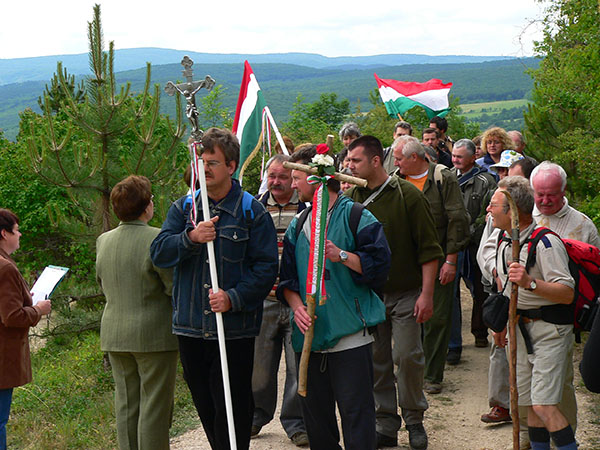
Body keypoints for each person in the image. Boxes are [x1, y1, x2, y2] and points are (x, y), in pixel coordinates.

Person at [150, 128, 279, 450]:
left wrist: (232, 297)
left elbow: (266, 269)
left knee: (233, 408)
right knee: (206, 405)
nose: (205, 169)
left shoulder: (252, 212)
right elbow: (159, 253)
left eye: (213, 163)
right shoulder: (185, 209)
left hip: (233, 329)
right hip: (191, 326)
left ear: (232, 166)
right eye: (201, 162)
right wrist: (190, 238)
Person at [277, 143, 391, 450]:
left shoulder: (358, 217)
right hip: (309, 338)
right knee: (316, 420)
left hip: (350, 335)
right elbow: (287, 281)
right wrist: (297, 306)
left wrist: (342, 255)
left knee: (357, 416)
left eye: (298, 177)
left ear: (316, 179)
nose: (293, 183)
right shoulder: (299, 225)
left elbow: (380, 268)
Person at [346, 135, 444, 450]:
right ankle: (385, 422)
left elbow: (429, 250)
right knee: (376, 360)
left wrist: (426, 295)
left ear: (376, 161)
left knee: (408, 356)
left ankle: (414, 419)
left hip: (406, 292)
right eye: (348, 161)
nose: (349, 166)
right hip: (369, 294)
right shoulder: (350, 199)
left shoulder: (408, 197)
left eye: (355, 160)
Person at [487, 176, 578, 450]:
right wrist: (502, 323)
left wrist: (530, 283)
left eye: (493, 205)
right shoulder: (505, 240)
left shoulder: (546, 243)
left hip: (549, 332)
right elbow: (506, 291)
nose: (488, 210)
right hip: (519, 330)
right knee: (529, 406)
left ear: (512, 210)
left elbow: (567, 293)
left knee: (544, 404)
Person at [96, 175, 178, 450]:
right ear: (146, 206)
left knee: (127, 404)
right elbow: (171, 287)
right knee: (154, 407)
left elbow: (102, 281)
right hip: (154, 335)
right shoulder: (157, 239)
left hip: (115, 334)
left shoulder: (103, 241)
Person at [393, 136, 470, 395]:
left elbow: (457, 219)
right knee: (407, 317)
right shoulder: (396, 180)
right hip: (405, 261)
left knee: (436, 317)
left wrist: (451, 260)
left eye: (399, 158)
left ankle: (432, 375)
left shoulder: (442, 178)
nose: (395, 162)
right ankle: (410, 369)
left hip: (437, 258)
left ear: (414, 158)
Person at [252, 154, 308, 447]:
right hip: (264, 301)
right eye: (272, 176)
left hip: (297, 301)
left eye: (282, 177)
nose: (276, 182)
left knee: (297, 368)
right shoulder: (255, 208)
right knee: (260, 368)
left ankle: (295, 423)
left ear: (293, 180)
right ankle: (256, 415)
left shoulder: (308, 209)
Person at [0, 209, 52, 450]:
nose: (20, 234)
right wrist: (38, 310)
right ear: (4, 233)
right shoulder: (5, 268)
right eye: (17, 229)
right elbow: (11, 317)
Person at [447, 139, 497, 365]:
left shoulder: (486, 181)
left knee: (479, 290)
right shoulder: (446, 176)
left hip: (475, 244)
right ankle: (453, 345)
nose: (455, 160)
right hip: (451, 246)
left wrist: (470, 234)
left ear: (471, 158)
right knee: (450, 295)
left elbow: (487, 213)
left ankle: (480, 332)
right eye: (453, 156)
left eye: (459, 157)